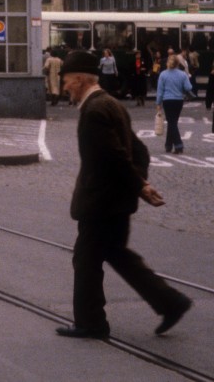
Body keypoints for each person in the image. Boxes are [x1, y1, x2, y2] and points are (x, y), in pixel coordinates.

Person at [55, 49, 191, 339]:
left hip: (100, 204)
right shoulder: (112, 105)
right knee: (117, 254)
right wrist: (137, 184)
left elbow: (114, 157)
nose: (64, 87)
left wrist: (139, 186)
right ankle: (171, 302)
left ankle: (91, 322)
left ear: (79, 79)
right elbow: (138, 152)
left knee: (86, 260)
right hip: (116, 202)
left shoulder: (93, 112)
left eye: (66, 80)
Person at [155, 54, 192, 155]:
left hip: (167, 100)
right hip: (178, 100)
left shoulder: (163, 74)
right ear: (178, 64)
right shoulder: (182, 74)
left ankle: (178, 144)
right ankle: (168, 145)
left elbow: (160, 91)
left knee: (171, 122)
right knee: (173, 122)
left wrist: (158, 103)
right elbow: (188, 87)